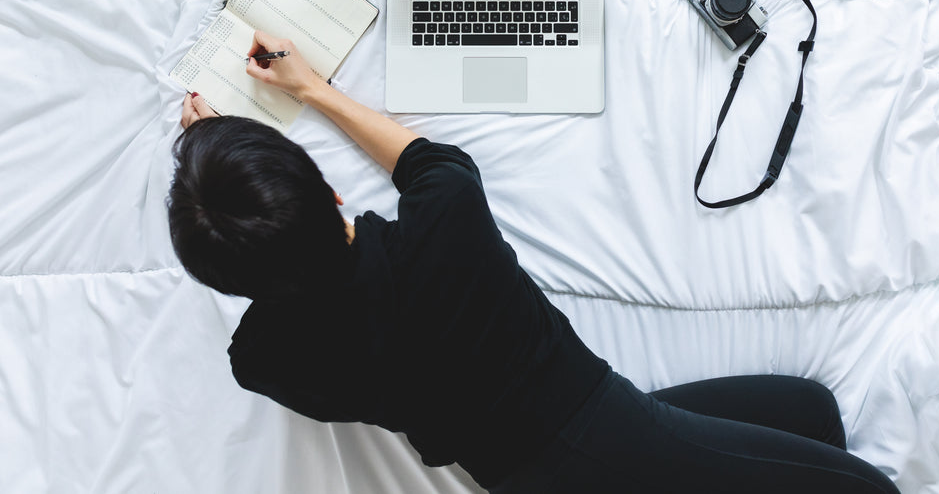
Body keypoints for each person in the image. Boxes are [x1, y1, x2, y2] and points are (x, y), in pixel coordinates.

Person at [168, 30, 901, 493]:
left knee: (811, 413)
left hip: (525, 473)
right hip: (607, 434)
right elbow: (426, 162)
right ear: (329, 192)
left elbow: (270, 315)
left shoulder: (268, 359)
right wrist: (308, 90)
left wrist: (232, 202)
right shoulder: (445, 226)